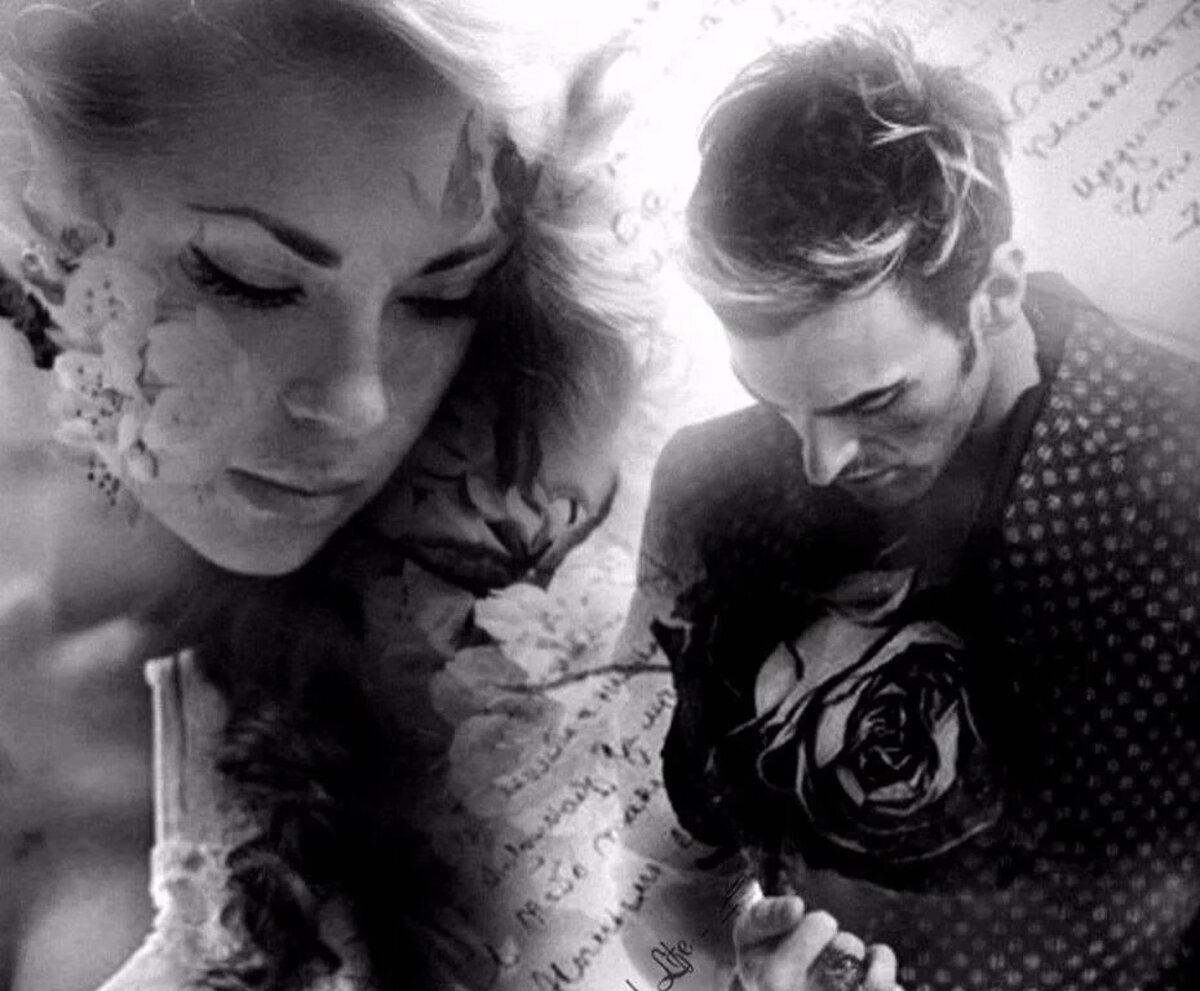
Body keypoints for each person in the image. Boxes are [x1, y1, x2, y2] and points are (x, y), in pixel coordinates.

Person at [0, 1, 647, 989]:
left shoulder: (495, 704)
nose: (358, 401)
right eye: (250, 279)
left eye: (441, 296)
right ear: (31, 213)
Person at [616, 26, 1200, 991]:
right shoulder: (710, 488)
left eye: (874, 400)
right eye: (774, 401)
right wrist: (721, 979)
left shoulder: (1181, 481)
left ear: (996, 290)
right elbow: (653, 893)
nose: (821, 461)